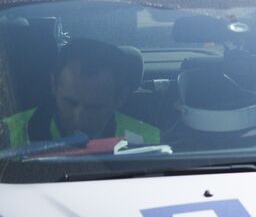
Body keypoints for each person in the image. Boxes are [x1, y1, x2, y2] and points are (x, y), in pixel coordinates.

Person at [1, 38, 158, 147]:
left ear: (121, 98)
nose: (80, 118)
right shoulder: (9, 135)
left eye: (94, 107)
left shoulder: (149, 142)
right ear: (53, 85)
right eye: (70, 102)